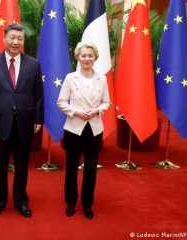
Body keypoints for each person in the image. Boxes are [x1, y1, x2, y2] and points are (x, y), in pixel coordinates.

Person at [0, 23, 44, 218]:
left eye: (20, 38)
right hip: (0, 121)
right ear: (4, 39)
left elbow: (39, 95)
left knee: (22, 165)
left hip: (25, 122)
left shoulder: (33, 64)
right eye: (12, 37)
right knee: (0, 165)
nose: (16, 41)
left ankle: (21, 201)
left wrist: (38, 119)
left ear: (24, 40)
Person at [57, 41, 110, 219]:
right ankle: (71, 202)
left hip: (94, 128)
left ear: (95, 58)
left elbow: (107, 102)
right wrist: (76, 112)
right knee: (71, 167)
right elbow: (61, 102)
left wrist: (97, 110)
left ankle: (87, 203)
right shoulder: (71, 77)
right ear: (78, 57)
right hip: (74, 128)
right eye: (83, 55)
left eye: (90, 55)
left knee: (91, 168)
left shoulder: (102, 78)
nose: (87, 58)